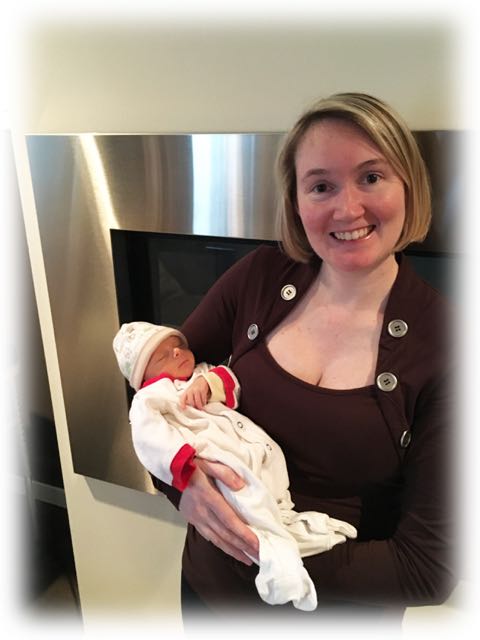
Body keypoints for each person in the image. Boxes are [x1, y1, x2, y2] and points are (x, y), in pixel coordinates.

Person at [139, 93, 457, 623]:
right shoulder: (258, 277)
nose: (347, 209)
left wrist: (265, 553)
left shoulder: (450, 345)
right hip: (205, 599)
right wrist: (181, 487)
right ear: (296, 202)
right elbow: (152, 390)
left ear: (409, 185)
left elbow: (428, 568)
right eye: (321, 186)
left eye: (371, 177)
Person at [113, 321, 357, 612]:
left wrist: (209, 385)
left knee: (275, 494)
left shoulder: (202, 373)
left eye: (178, 346)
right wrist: (184, 463)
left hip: (256, 449)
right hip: (219, 460)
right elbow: (149, 438)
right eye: (163, 356)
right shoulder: (149, 398)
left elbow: (232, 384)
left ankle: (289, 525)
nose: (177, 353)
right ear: (143, 377)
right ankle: (280, 564)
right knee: (248, 503)